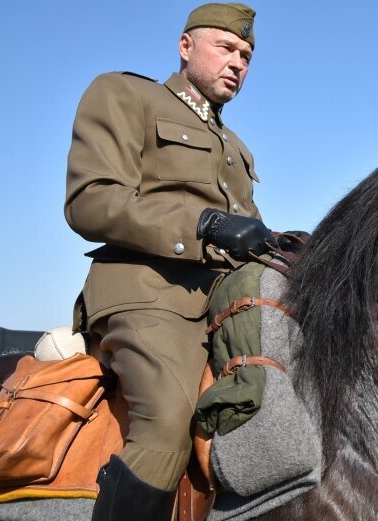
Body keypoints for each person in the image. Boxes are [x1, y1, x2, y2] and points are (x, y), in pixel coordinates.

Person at [64, 3, 273, 519]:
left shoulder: (236, 146)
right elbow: (90, 199)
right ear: (186, 47)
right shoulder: (126, 94)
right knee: (167, 419)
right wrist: (201, 225)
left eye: (246, 55)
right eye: (226, 48)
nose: (238, 63)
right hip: (146, 294)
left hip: (224, 304)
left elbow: (246, 230)